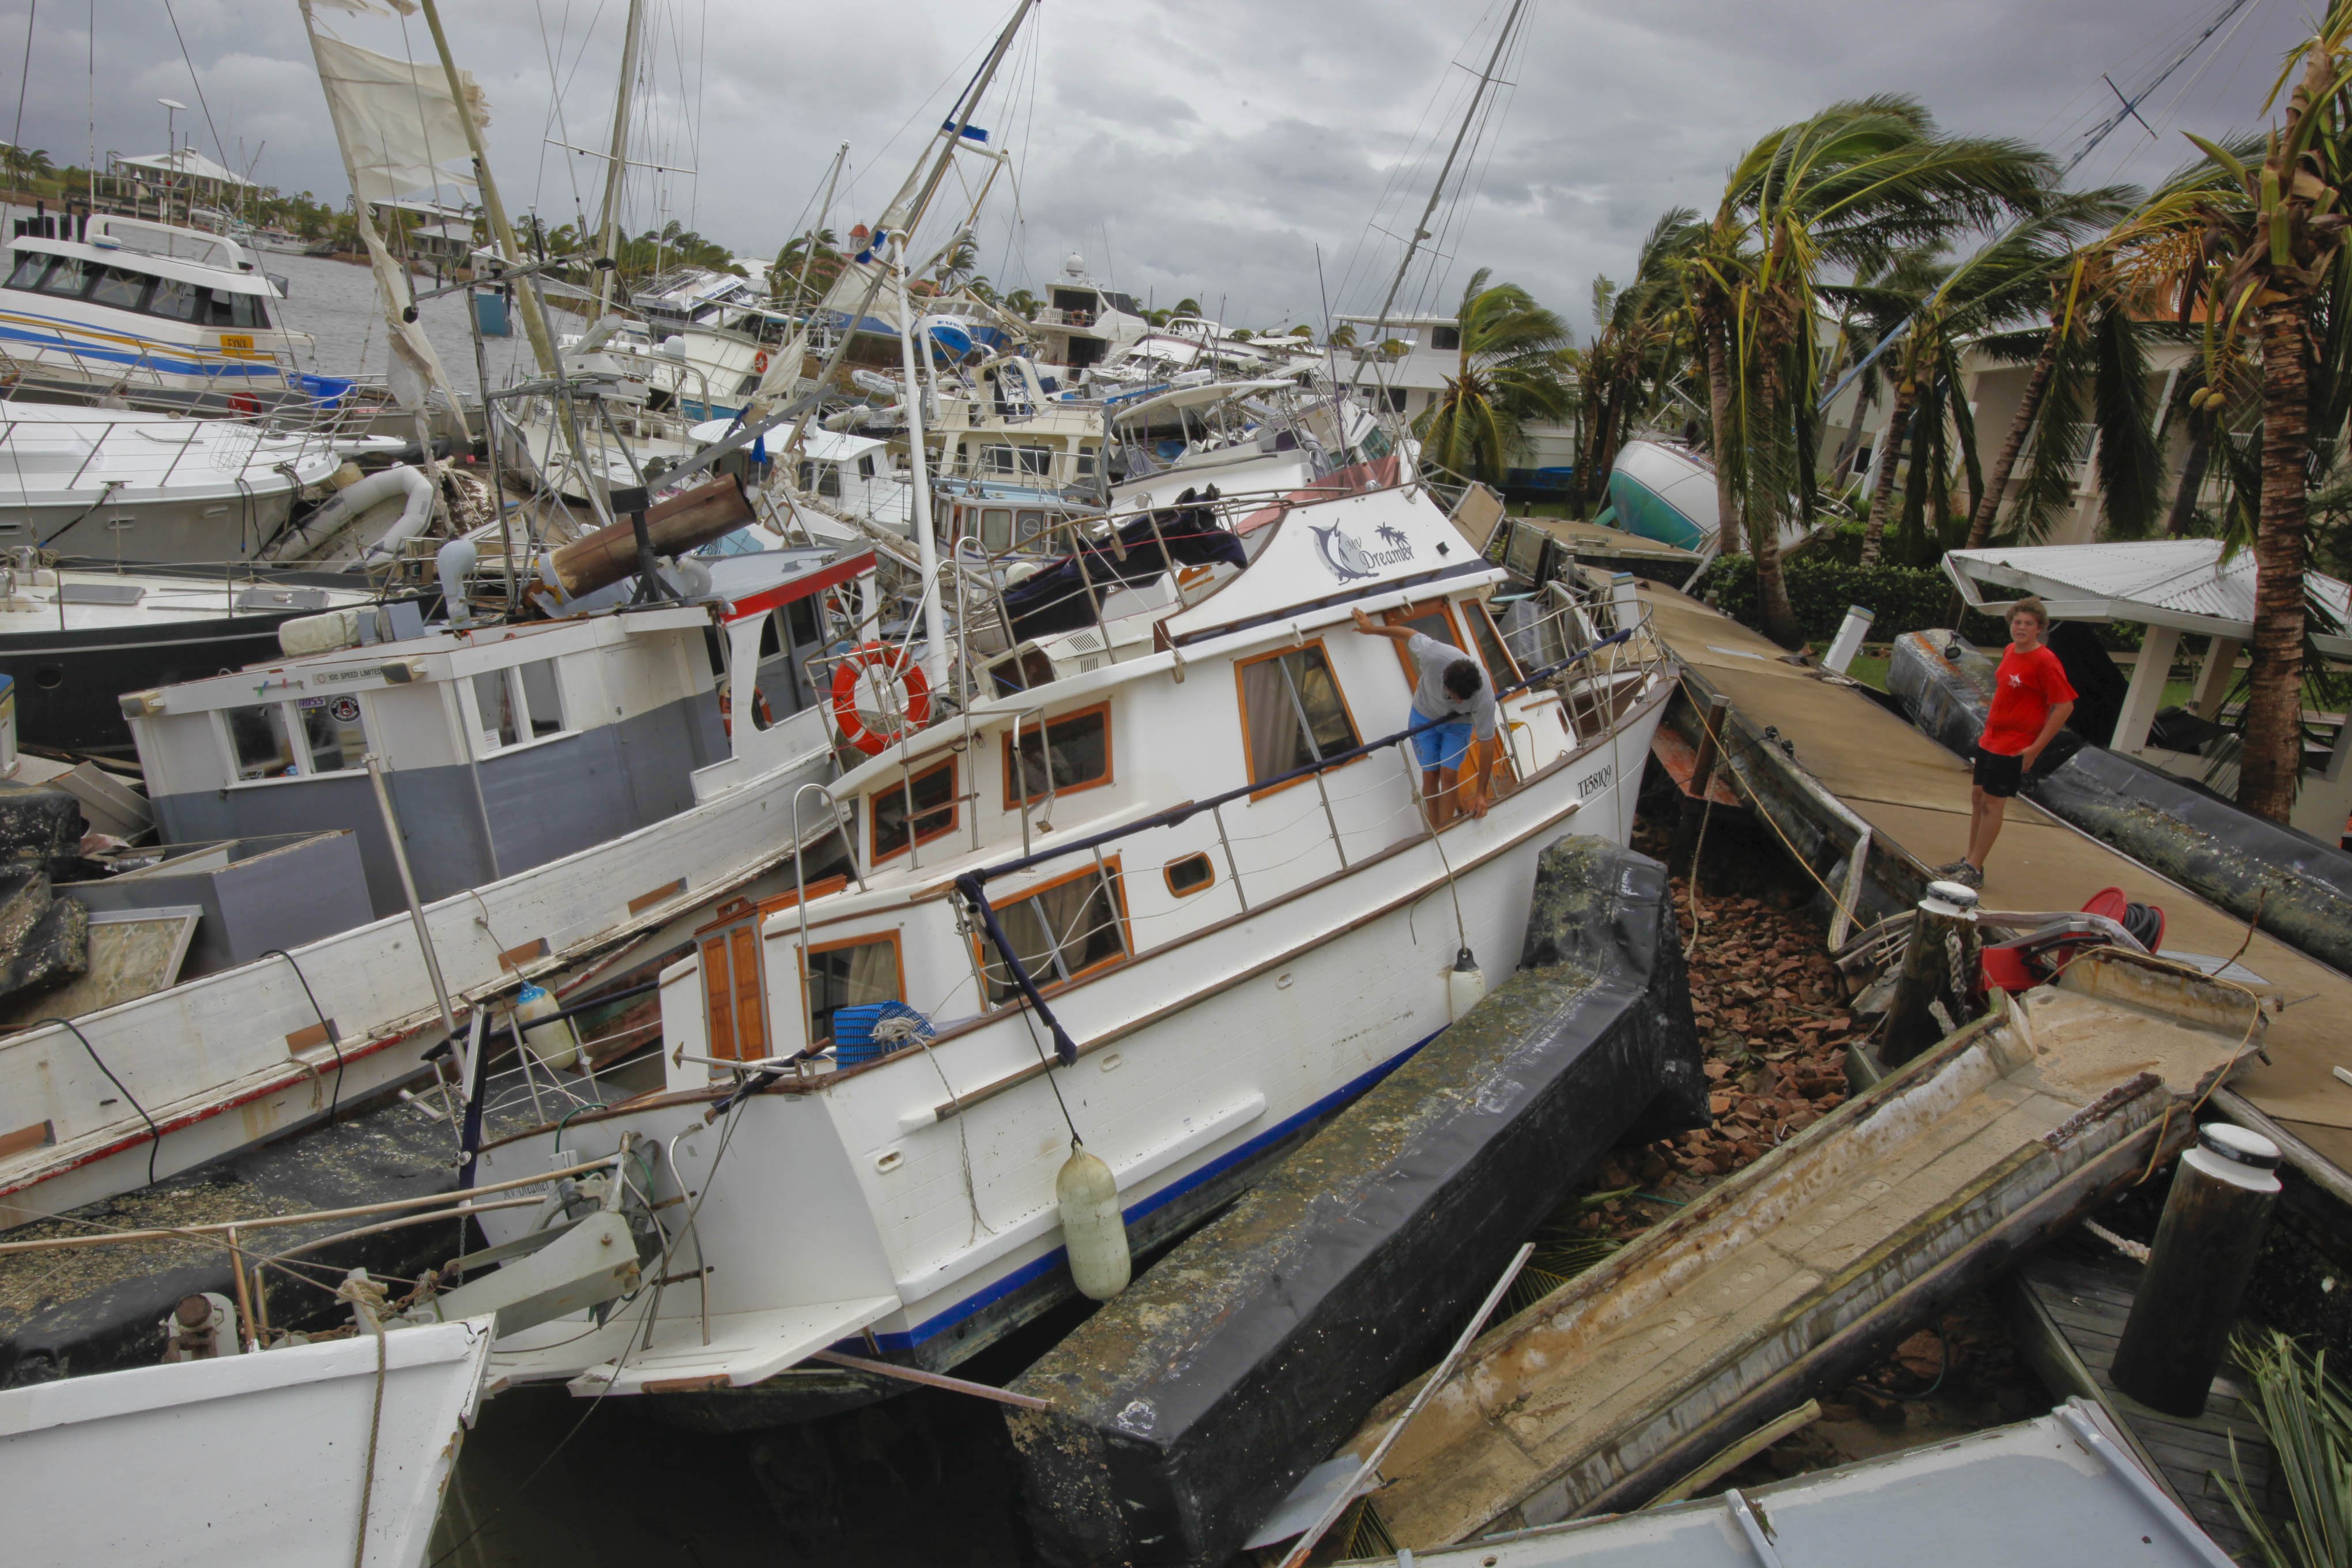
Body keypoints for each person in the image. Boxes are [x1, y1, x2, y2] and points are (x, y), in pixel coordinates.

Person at [1938, 595, 2074, 890]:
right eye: (2017, 622)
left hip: (2016, 743)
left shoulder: (2046, 662)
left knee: (1992, 803)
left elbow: (2064, 706)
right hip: (1992, 738)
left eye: (2029, 624)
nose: (2021, 628)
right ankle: (1969, 860)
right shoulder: (2011, 650)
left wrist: (2035, 748)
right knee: (1977, 796)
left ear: (2039, 628)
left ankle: (1974, 868)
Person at [1350, 607, 1495, 824]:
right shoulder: (1434, 654)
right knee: (1430, 775)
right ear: (1444, 680)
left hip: (1458, 723)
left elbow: (1487, 743)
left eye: (1464, 700)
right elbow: (1408, 634)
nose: (1459, 702)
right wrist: (1372, 630)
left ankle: (1447, 828)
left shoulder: (1484, 697)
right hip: (1424, 714)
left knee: (1448, 774)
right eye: (1455, 697)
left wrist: (1481, 793)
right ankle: (1434, 828)